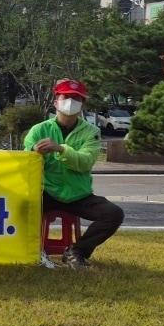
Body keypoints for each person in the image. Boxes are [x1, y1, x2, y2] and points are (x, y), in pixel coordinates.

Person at [23, 78, 125, 268]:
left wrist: (61, 149)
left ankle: (77, 251)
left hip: (78, 194)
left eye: (76, 98)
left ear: (82, 105)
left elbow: (85, 162)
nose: (70, 102)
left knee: (114, 214)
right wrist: (35, 154)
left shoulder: (91, 132)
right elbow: (26, 164)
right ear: (56, 101)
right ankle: (33, 249)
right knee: (20, 207)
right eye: (66, 97)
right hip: (46, 191)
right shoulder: (39, 130)